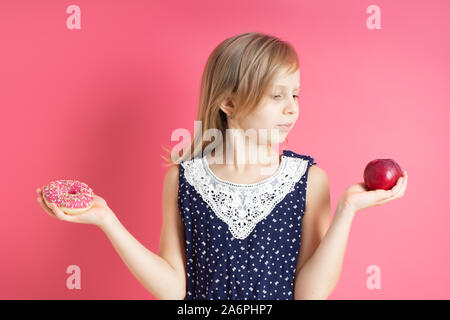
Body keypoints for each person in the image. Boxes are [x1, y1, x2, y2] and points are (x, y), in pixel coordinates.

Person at [36, 32, 408, 300]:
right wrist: (106, 220)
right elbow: (172, 291)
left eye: (295, 94)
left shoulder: (309, 180)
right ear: (228, 103)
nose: (292, 108)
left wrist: (347, 210)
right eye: (276, 96)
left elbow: (310, 294)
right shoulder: (182, 180)